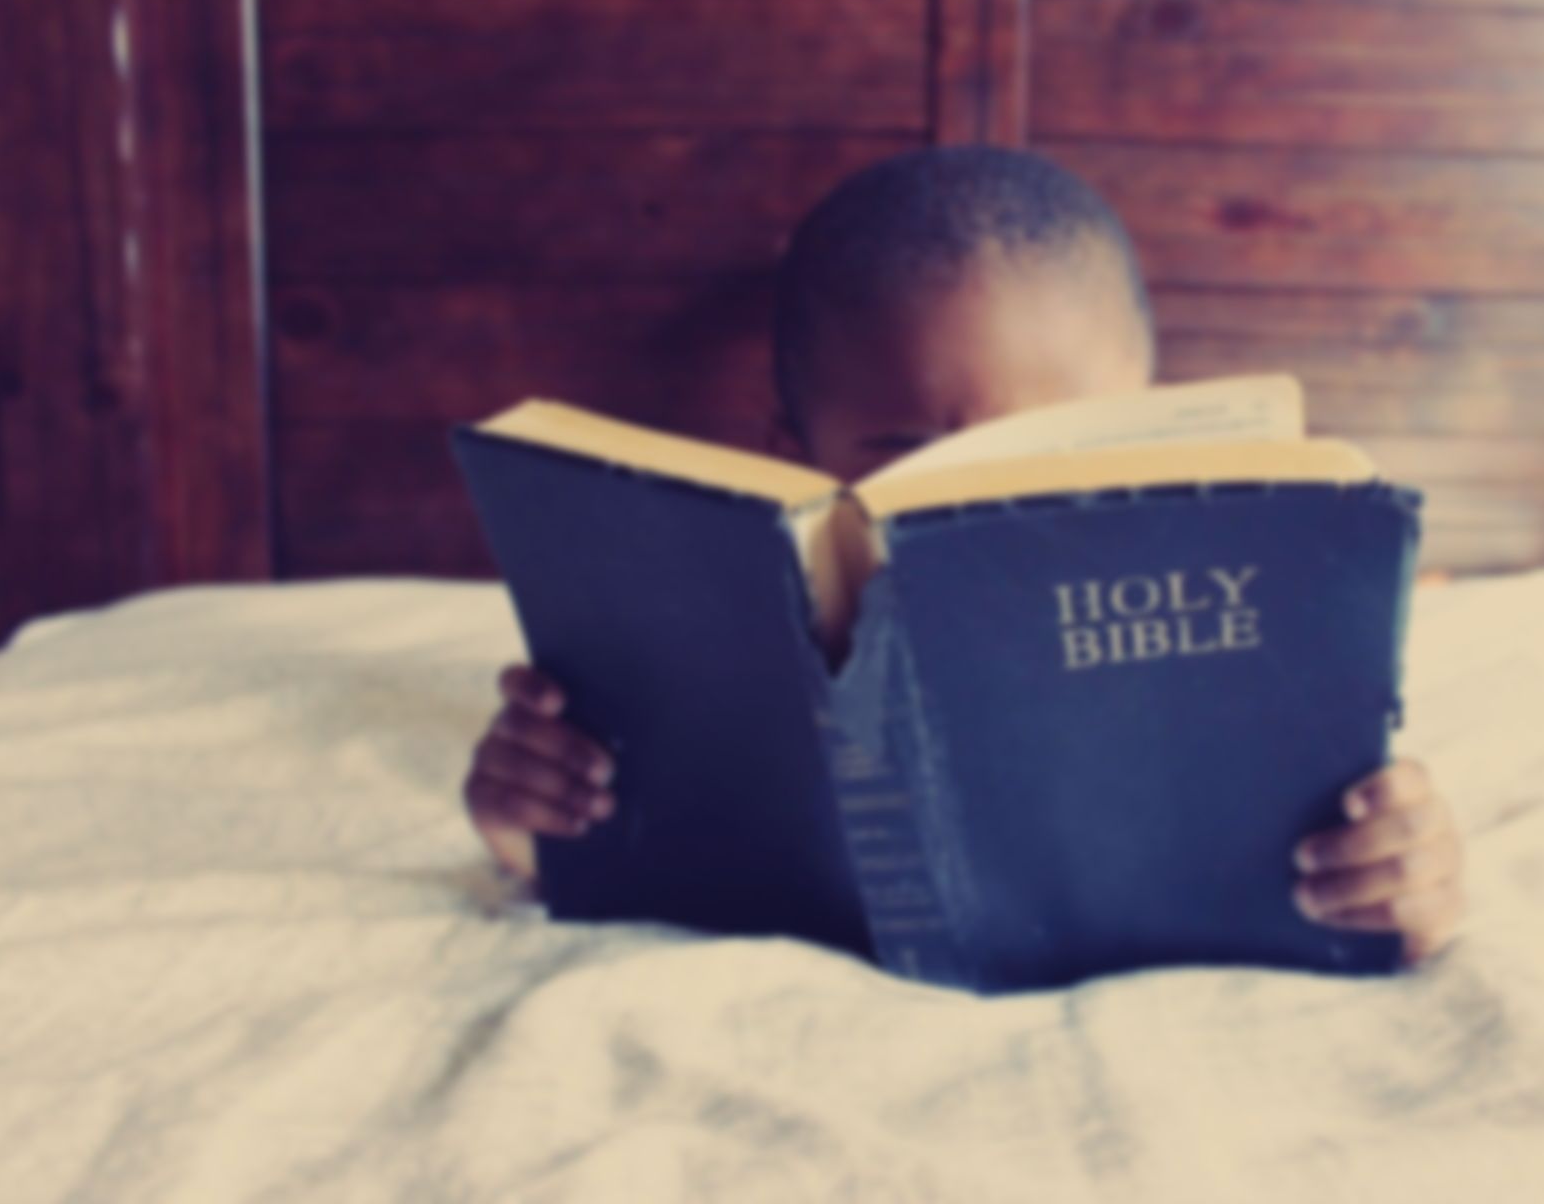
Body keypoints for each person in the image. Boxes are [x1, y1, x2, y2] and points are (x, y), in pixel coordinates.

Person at [462, 146, 1466, 965]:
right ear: (793, 458)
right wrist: (536, 820)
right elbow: (619, 859)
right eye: (913, 458)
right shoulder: (714, 650)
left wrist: (1398, 879)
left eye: (1067, 447)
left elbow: (1372, 870)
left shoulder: (1245, 631)